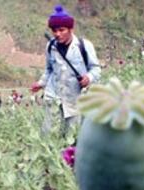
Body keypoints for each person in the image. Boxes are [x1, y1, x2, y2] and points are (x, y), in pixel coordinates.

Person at [30, 4, 101, 137]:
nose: (57, 34)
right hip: (54, 96)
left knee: (71, 137)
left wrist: (88, 78)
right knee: (48, 134)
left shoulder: (83, 46)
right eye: (54, 30)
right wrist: (40, 83)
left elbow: (96, 69)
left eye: (62, 30)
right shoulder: (50, 46)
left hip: (75, 98)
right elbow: (49, 69)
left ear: (70, 29)